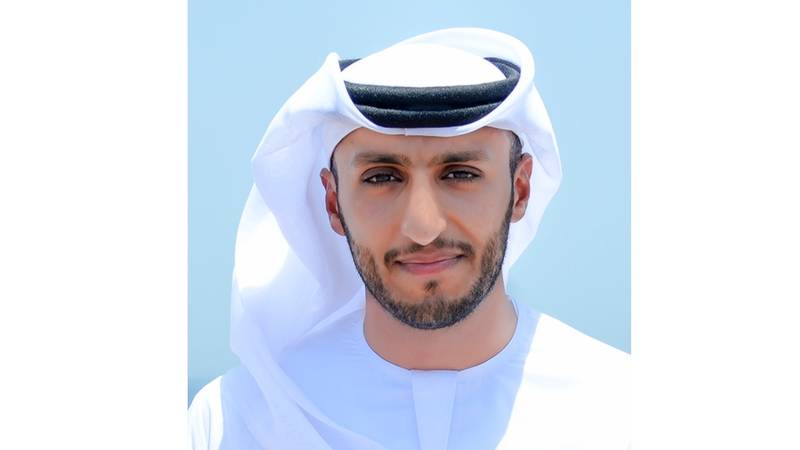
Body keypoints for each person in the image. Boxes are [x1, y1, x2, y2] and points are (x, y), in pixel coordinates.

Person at [189, 27, 629, 450]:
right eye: (382, 177)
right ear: (333, 202)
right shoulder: (236, 421)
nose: (423, 227)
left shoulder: (626, 412)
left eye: (460, 174)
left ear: (520, 190)